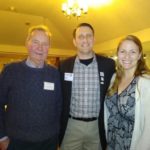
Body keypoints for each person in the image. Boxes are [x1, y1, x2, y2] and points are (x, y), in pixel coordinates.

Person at [0, 25, 62, 150]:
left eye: (45, 44)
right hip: (17, 142)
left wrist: (56, 136)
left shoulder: (54, 73)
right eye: (36, 42)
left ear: (49, 48)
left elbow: (58, 106)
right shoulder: (10, 71)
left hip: (48, 142)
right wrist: (2, 137)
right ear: (27, 44)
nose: (40, 48)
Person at [59, 23, 115, 150]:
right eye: (80, 36)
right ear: (74, 41)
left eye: (89, 36)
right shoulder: (64, 65)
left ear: (94, 39)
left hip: (97, 127)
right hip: (71, 127)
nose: (85, 40)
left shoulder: (108, 65)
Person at [104, 35, 150, 150]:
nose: (127, 56)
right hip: (110, 143)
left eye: (133, 52)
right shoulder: (114, 78)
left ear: (139, 55)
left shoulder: (145, 83)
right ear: (118, 54)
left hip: (132, 145)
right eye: (123, 51)